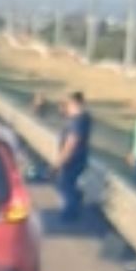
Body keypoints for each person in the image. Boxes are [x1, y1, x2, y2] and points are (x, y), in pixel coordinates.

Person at [53, 91, 93, 223]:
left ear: (74, 103)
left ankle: (70, 213)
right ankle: (76, 199)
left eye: (68, 104)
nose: (66, 107)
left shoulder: (78, 121)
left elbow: (72, 142)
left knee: (64, 184)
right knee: (69, 184)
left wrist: (60, 160)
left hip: (72, 158)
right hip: (80, 156)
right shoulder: (85, 118)